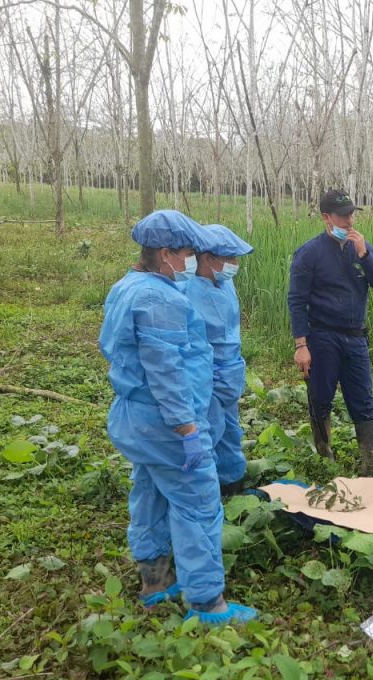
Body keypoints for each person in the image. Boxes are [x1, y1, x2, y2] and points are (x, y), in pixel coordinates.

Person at [99, 209, 256, 626]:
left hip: (135, 418)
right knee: (199, 504)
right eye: (188, 252)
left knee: (149, 491)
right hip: (166, 424)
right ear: (166, 253)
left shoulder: (127, 286)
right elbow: (165, 369)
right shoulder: (161, 298)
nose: (193, 260)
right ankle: (207, 603)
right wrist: (187, 429)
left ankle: (155, 581)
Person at [288, 189, 373, 477]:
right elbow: (296, 300)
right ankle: (325, 456)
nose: (349, 220)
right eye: (342, 215)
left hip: (355, 337)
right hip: (322, 337)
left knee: (363, 399)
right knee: (320, 398)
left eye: (351, 213)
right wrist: (301, 344)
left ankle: (371, 466)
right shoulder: (309, 253)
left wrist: (365, 255)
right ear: (326, 217)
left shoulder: (361, 247)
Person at [183, 223, 254, 497]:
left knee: (230, 434)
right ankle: (206, 493)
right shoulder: (186, 290)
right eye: (230, 258)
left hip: (230, 370)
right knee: (207, 434)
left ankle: (232, 484)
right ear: (208, 257)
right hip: (205, 375)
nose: (235, 265)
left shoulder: (225, 283)